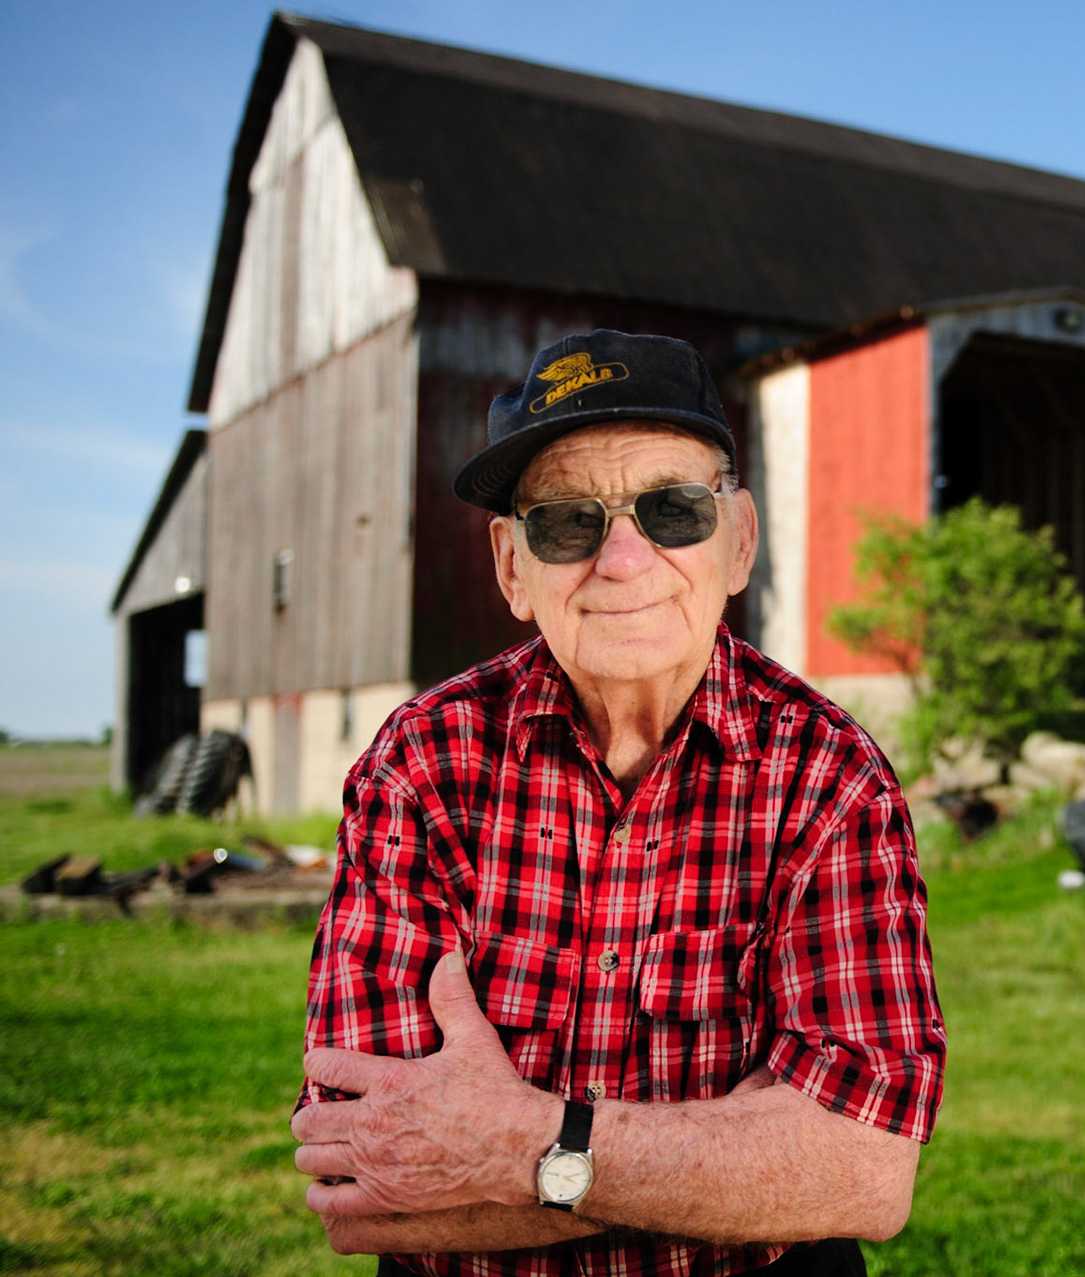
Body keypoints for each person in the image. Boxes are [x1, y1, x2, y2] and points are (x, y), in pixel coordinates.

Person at [289, 330, 945, 1277]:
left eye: (673, 509)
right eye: (566, 523)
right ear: (514, 569)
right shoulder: (420, 766)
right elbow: (364, 1182)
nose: (626, 560)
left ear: (739, 543)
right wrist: (743, 1161)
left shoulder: (829, 774)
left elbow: (864, 1172)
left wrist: (516, 1142)